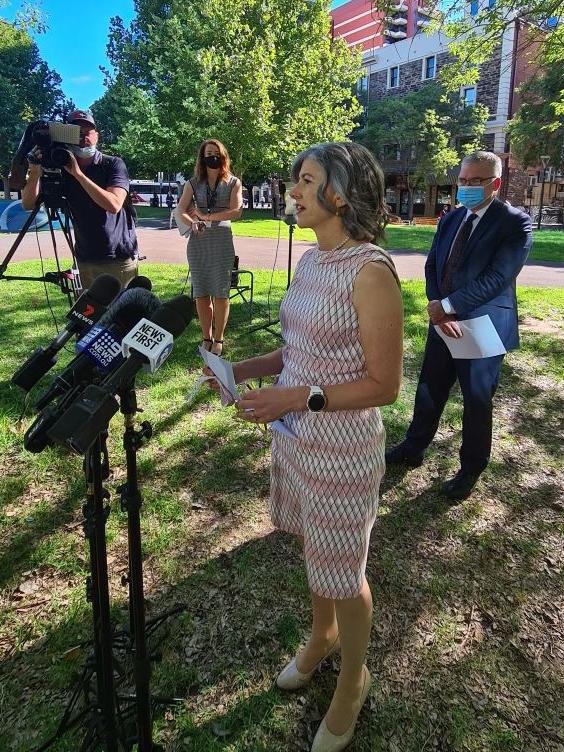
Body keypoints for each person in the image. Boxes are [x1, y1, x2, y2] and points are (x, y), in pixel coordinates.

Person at [208, 142, 403, 752]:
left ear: (339, 194)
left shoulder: (371, 271)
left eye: (306, 180)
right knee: (314, 548)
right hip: (297, 442)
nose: (293, 190)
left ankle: (353, 680)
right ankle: (321, 637)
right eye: (295, 179)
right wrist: (241, 368)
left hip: (342, 447)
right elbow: (295, 349)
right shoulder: (312, 263)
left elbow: (384, 385)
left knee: (344, 570)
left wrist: (293, 399)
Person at [386, 150, 532, 500]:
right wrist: (439, 307)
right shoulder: (452, 218)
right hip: (444, 322)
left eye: (474, 182)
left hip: (483, 325)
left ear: (494, 184)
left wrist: (448, 306)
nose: (464, 187)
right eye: (462, 180)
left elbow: (498, 277)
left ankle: (471, 469)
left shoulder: (515, 223)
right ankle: (414, 446)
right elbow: (433, 263)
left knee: (477, 400)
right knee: (430, 387)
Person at [21, 109, 138, 290]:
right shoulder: (59, 166)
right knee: (91, 316)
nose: (84, 137)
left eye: (88, 132)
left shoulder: (113, 164)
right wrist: (35, 171)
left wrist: (77, 174)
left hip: (118, 257)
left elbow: (114, 204)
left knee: (123, 314)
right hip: (85, 258)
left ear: (97, 136)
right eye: (78, 133)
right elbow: (28, 204)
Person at [177, 139, 242, 355]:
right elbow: (181, 210)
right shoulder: (192, 183)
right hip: (199, 242)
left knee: (221, 292)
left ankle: (219, 339)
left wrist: (207, 216)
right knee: (202, 293)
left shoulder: (234, 182)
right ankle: (206, 336)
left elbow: (236, 211)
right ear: (202, 157)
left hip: (222, 240)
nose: (212, 156)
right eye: (208, 153)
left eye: (216, 152)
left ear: (223, 156)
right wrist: (193, 222)